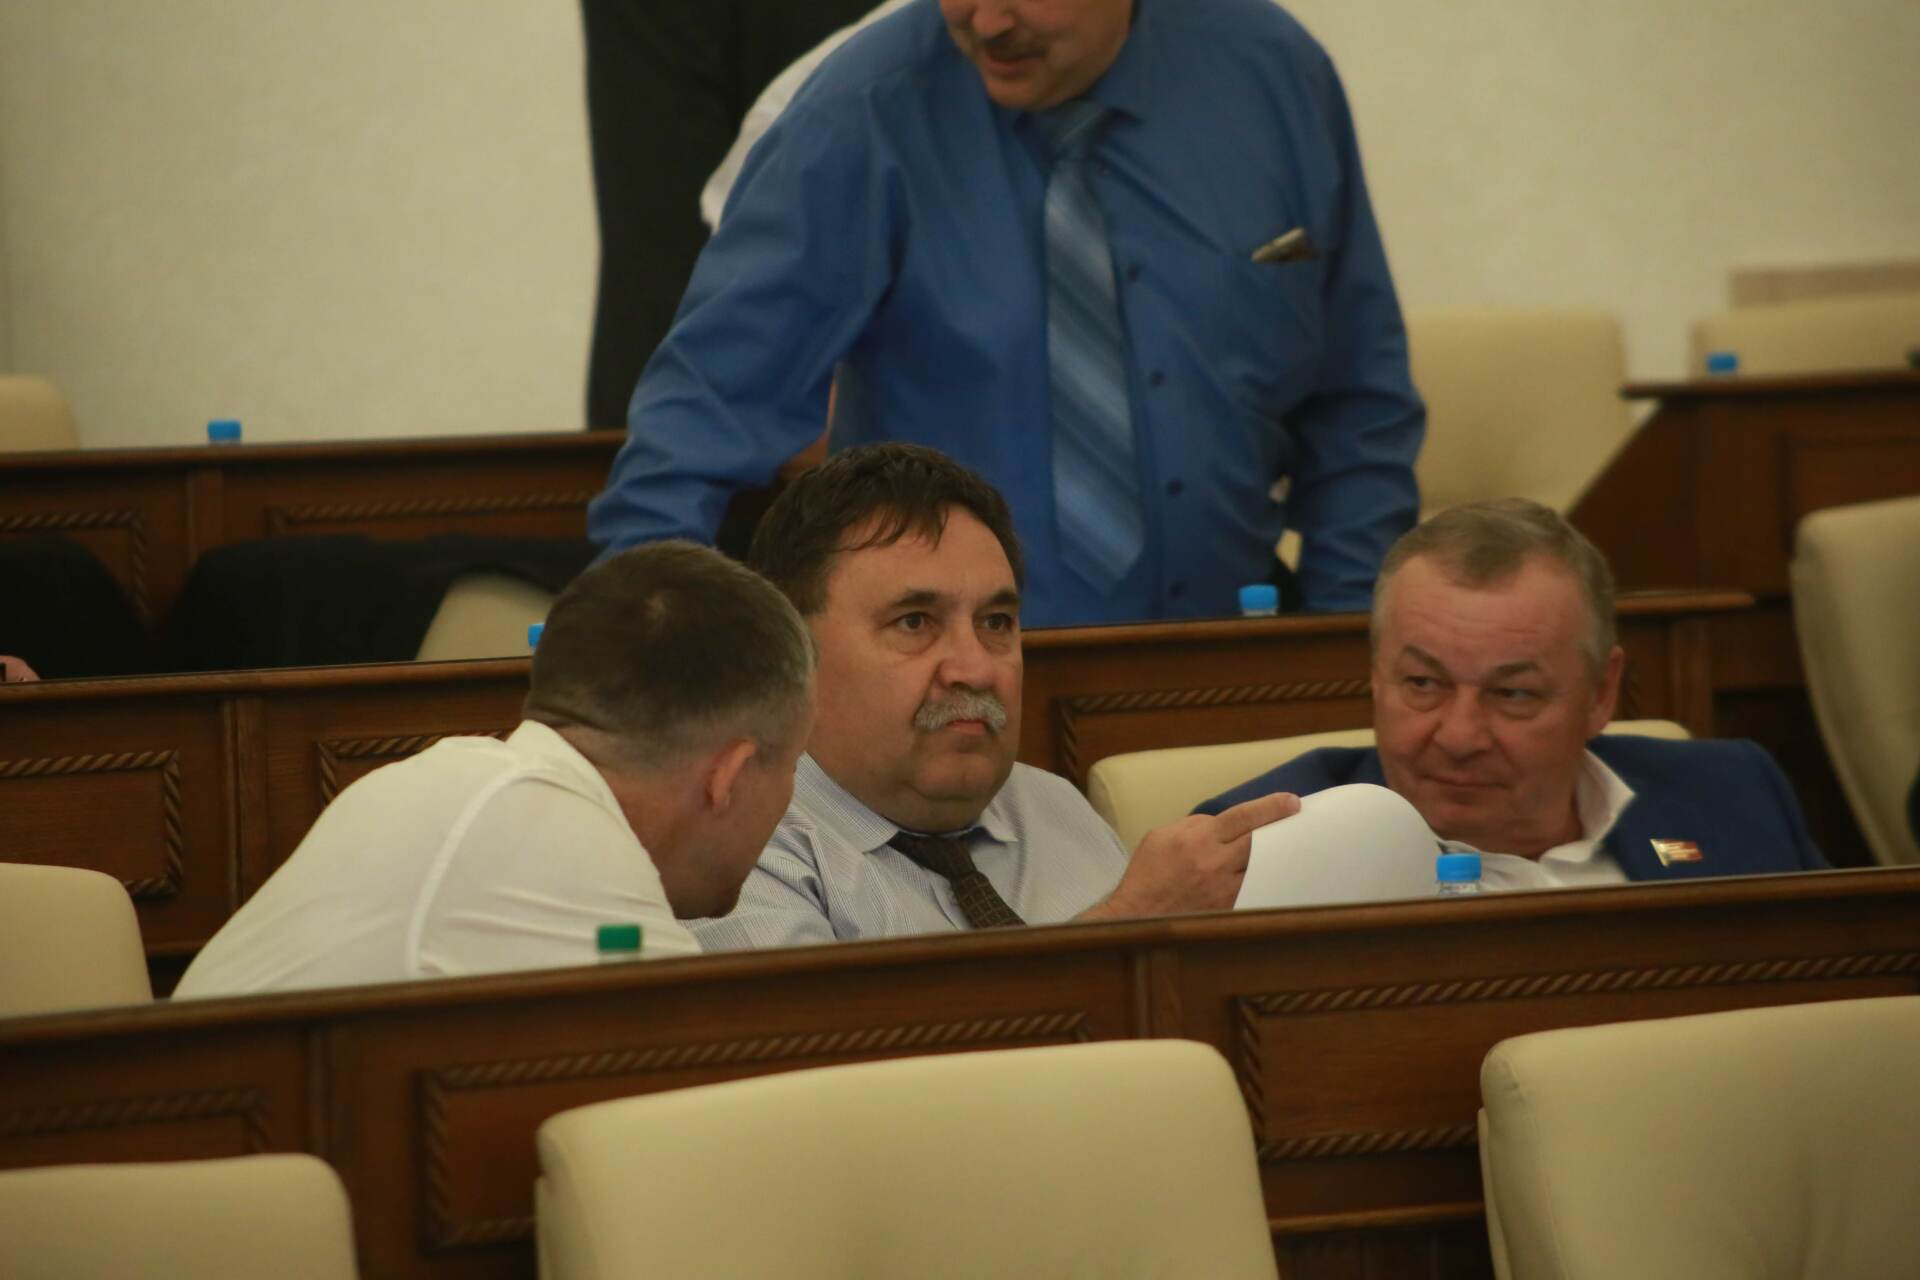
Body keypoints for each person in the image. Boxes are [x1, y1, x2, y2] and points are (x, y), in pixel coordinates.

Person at [589, 0, 1425, 627]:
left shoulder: (1273, 77)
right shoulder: (862, 109)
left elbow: (1359, 406)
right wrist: (654, 658)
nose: (986, 21)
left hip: (1227, 663)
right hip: (941, 696)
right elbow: (696, 424)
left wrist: (1344, 647)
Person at [692, 443, 1296, 951]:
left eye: (997, 623)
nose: (976, 668)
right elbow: (853, 1060)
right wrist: (1127, 927)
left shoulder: (1051, 807)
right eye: (914, 623)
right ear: (792, 656)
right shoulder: (737, 851)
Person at [174, 542, 816, 997]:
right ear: (729, 776)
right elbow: (705, 1097)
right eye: (792, 765)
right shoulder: (560, 844)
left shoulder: (473, 784)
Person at [1198, 499, 1829, 887]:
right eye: (1423, 684)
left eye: (1513, 694)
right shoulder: (1255, 853)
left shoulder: (1733, 796)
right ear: (1375, 676)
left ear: (1601, 693)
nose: (1460, 737)